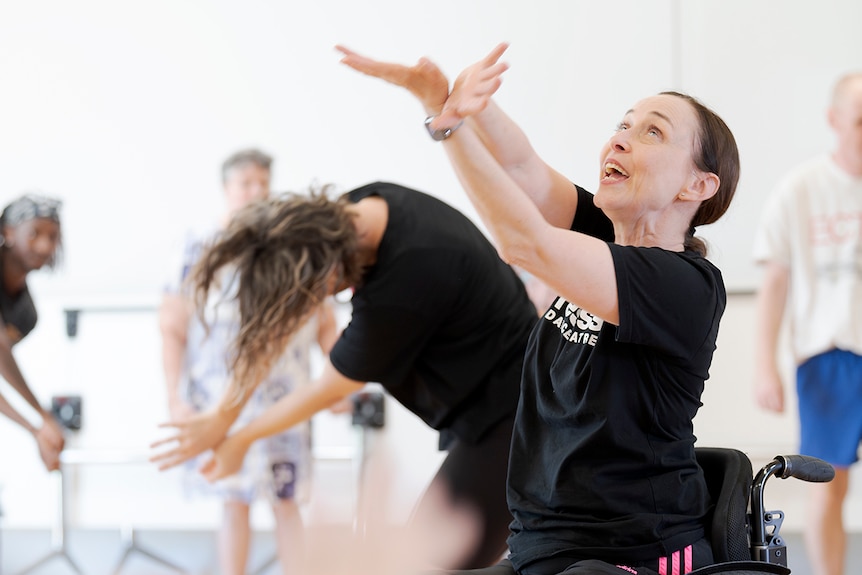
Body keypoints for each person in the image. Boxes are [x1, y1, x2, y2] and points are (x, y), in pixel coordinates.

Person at [337, 42, 740, 575]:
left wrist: (448, 127)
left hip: (635, 554)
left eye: (653, 132)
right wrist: (457, 103)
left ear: (699, 185)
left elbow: (525, 241)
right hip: (539, 548)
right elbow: (523, 167)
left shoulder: (684, 285)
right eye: (623, 123)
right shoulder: (603, 238)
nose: (620, 138)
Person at [151, 179, 539, 570]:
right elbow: (278, 327)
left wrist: (238, 440)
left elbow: (328, 388)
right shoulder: (353, 214)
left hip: (518, 414)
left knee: (430, 563)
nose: (319, 303)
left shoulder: (405, 278)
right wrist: (223, 416)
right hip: (485, 404)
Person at [158, 148, 338, 575]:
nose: (256, 191)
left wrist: (338, 383)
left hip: (286, 396)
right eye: (246, 183)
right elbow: (172, 325)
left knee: (287, 499)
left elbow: (324, 318)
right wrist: (174, 397)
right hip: (218, 398)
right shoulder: (197, 245)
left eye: (262, 182)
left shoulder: (292, 242)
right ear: (227, 189)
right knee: (232, 500)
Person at [752, 72, 862, 575]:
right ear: (834, 120)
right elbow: (775, 283)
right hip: (828, 356)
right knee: (829, 483)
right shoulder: (801, 189)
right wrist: (764, 366)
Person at [0, 193, 65, 472]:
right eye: (35, 234)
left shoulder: (26, 315)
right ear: (8, 232)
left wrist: (36, 430)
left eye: (53, 237)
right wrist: (42, 416)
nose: (44, 245)